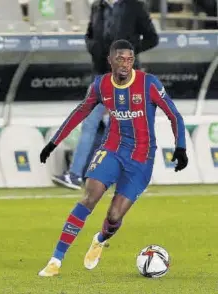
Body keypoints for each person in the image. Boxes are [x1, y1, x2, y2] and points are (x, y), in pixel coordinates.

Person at [38, 39, 188, 277]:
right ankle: (56, 260)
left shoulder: (149, 84)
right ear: (110, 60)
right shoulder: (101, 85)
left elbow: (174, 115)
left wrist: (180, 148)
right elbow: (80, 112)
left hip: (141, 157)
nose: (125, 64)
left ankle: (99, 240)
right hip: (112, 149)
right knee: (90, 197)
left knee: (114, 216)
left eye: (129, 60)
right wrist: (53, 142)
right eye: (120, 59)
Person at [53, 0, 159, 190]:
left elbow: (152, 38)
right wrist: (94, 48)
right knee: (89, 123)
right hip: (100, 76)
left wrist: (128, 54)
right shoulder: (98, 6)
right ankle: (75, 174)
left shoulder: (133, 5)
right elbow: (90, 35)